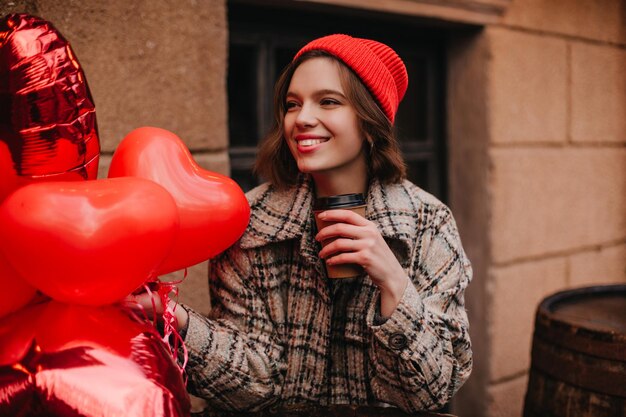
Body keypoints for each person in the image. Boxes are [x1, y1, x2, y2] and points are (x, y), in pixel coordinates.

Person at [134, 33, 472, 413]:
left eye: (328, 101)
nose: (302, 119)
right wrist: (175, 321)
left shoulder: (428, 222)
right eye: (293, 105)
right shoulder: (251, 221)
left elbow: (431, 393)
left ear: (370, 120)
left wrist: (392, 281)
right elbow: (254, 387)